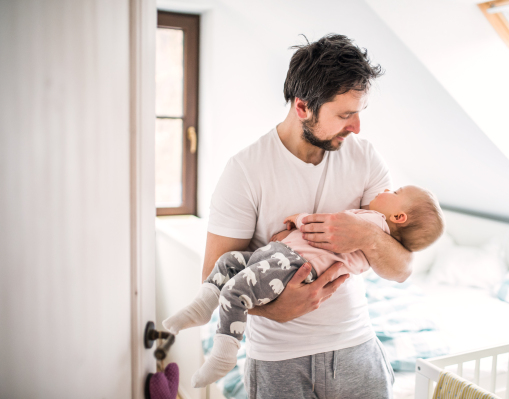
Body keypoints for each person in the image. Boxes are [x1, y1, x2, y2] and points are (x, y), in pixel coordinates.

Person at [193, 33, 412, 398]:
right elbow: (213, 277)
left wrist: (367, 236)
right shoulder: (246, 171)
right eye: (345, 114)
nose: (356, 127)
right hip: (278, 359)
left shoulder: (366, 158)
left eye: (359, 113)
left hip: (356, 346)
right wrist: (275, 310)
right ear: (302, 107)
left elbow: (402, 269)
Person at [163, 185, 444, 388]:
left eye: (395, 193)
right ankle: (202, 307)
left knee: (236, 290)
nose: (387, 189)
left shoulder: (373, 222)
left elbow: (323, 225)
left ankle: (224, 353)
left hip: (293, 264)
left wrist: (298, 220)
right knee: (228, 262)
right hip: (281, 255)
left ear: (399, 218)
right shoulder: (373, 220)